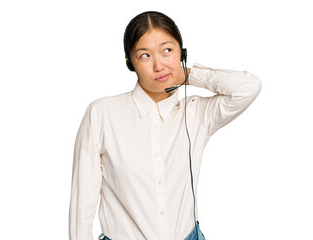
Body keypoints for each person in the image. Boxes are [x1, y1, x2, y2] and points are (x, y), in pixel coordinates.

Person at [69, 11, 262, 240]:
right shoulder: (101, 114)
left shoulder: (197, 113)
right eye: (145, 55)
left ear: (182, 53)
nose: (159, 65)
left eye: (167, 50)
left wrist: (188, 74)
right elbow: (82, 205)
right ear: (130, 62)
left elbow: (248, 87)